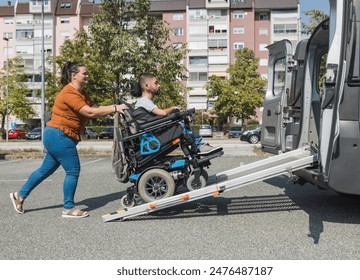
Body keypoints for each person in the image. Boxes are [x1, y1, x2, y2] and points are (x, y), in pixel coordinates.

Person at [9, 62, 128, 218]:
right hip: (59, 135)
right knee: (73, 171)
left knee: (44, 171)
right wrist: (115, 108)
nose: (87, 76)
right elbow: (89, 112)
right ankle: (68, 208)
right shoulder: (69, 93)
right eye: (84, 73)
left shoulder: (81, 94)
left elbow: (96, 108)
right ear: (74, 75)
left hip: (57, 135)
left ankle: (20, 195)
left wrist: (115, 107)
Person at [134, 73, 221, 155]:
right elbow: (162, 113)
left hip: (153, 133)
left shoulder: (144, 102)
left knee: (180, 121)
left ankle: (197, 145)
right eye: (156, 83)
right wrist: (173, 108)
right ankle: (198, 145)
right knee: (180, 123)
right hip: (152, 138)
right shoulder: (144, 101)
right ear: (147, 86)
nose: (159, 85)